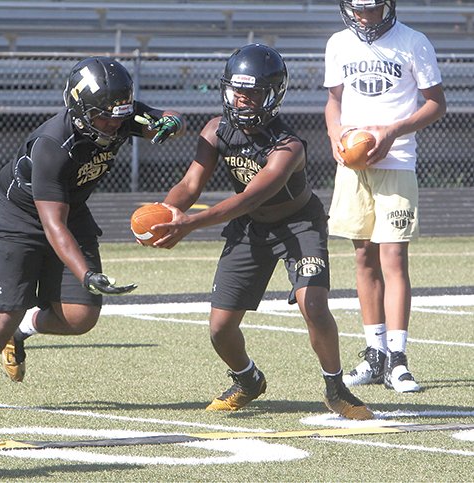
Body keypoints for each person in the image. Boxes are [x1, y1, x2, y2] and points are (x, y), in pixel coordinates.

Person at [152, 43, 373, 420]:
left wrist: (189, 224)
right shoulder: (214, 130)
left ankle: (336, 388)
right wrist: (167, 212)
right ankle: (248, 380)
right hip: (251, 229)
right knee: (220, 328)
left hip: (298, 224)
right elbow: (190, 186)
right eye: (236, 91)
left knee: (313, 304)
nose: (241, 100)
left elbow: (249, 199)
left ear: (273, 96)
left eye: (252, 93)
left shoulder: (288, 146)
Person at [0, 56, 185, 410]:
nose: (111, 124)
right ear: (78, 108)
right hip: (18, 219)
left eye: (118, 114)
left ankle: (24, 329)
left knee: (80, 317)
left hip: (70, 211)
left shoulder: (120, 114)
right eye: (102, 116)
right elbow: (52, 225)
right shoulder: (52, 145)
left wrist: (172, 123)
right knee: (4, 313)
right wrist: (86, 273)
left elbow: (165, 122)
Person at [324, 0, 446, 393]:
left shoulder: (413, 41)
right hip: (353, 165)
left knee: (393, 256)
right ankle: (374, 353)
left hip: (397, 161)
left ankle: (397, 357)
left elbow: (436, 104)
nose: (366, 16)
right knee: (362, 256)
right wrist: (335, 137)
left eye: (374, 9)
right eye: (360, 9)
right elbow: (335, 102)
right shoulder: (339, 43)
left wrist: (394, 130)